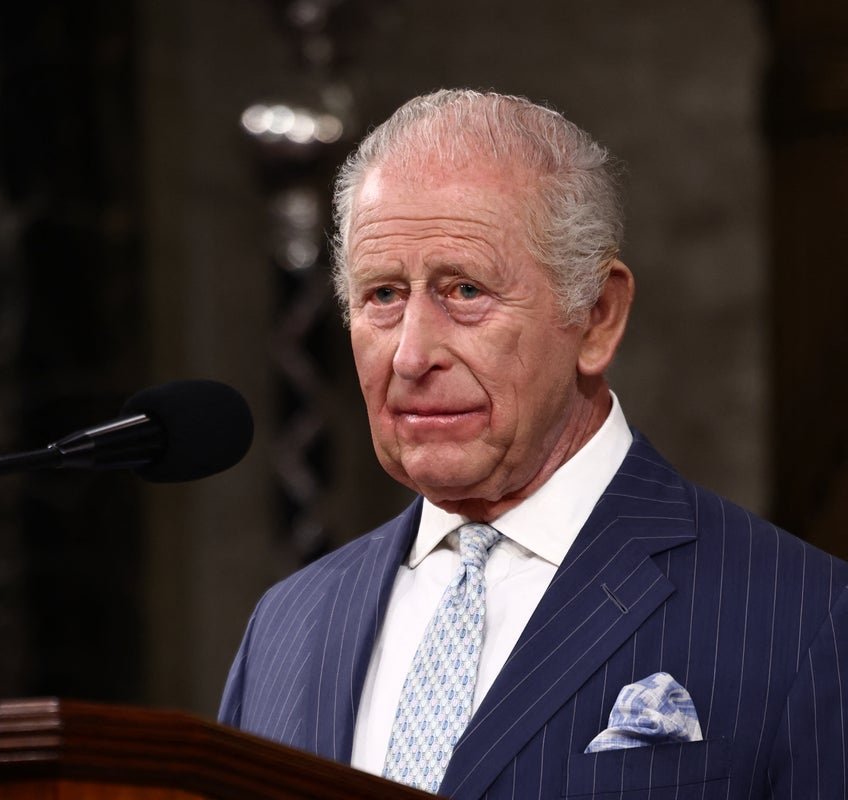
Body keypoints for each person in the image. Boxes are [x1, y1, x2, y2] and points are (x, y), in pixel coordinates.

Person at [218, 89, 848, 799]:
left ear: (598, 316)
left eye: (464, 291)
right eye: (384, 295)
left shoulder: (806, 619)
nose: (411, 355)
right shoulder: (287, 625)